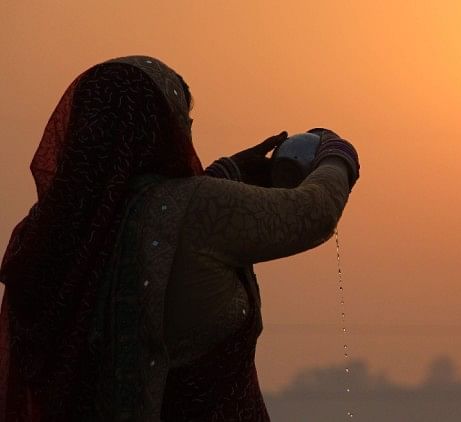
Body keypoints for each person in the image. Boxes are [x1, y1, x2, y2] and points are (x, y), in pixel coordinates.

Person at [0, 55, 359, 421]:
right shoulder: (194, 209)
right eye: (181, 124)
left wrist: (226, 173)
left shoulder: (51, 233)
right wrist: (335, 153)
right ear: (158, 130)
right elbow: (310, 215)